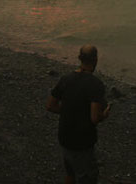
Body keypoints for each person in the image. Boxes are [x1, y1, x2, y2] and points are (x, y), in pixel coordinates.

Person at [46, 44, 110, 184]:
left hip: (64, 137)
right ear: (95, 59)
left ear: (80, 58)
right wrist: (104, 114)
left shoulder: (66, 79)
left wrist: (69, 111)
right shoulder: (95, 84)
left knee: (70, 174)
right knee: (86, 177)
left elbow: (50, 105)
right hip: (82, 141)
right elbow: (94, 118)